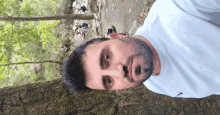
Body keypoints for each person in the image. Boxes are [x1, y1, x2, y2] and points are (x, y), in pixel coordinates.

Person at [63, 0, 220, 98]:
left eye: (108, 57)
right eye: (109, 81)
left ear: (117, 36)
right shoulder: (155, 84)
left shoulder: (177, 7)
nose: (119, 72)